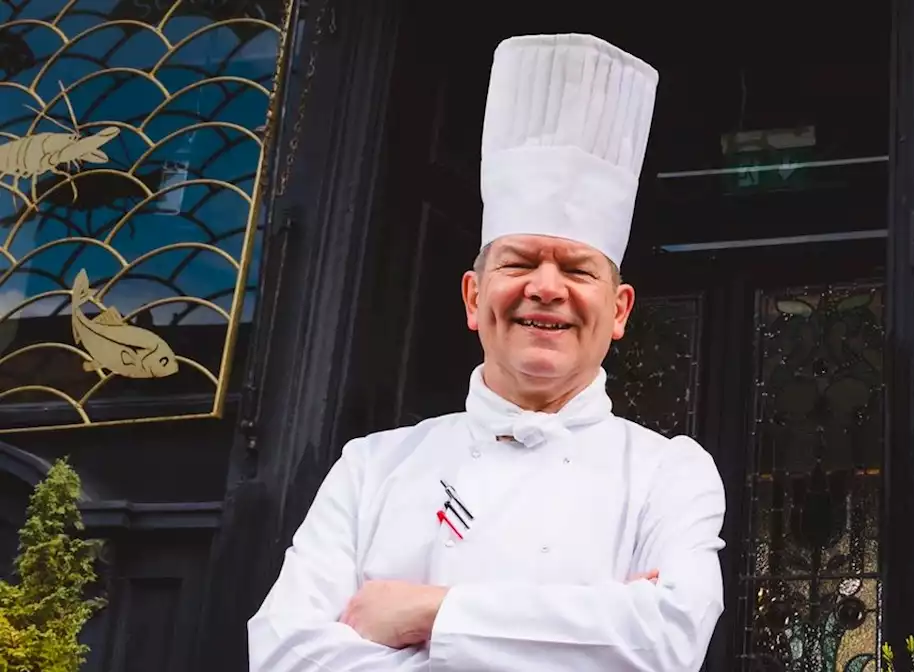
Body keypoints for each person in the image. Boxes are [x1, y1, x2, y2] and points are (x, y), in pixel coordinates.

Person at [246, 33, 728, 671]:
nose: (546, 288)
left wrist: (429, 613)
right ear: (475, 297)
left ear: (619, 311)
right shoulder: (371, 470)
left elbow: (668, 642)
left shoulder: (670, 474)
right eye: (520, 262)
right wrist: (595, 631)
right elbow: (285, 656)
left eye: (579, 270)